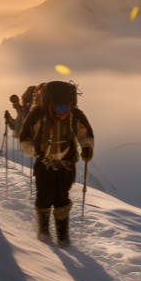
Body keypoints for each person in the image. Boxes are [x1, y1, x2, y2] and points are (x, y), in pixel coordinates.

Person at [19, 81, 94, 246]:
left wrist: (87, 147)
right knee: (44, 196)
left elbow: (85, 134)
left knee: (62, 198)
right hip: (44, 164)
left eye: (66, 107)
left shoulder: (75, 115)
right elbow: (25, 137)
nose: (63, 111)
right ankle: (44, 233)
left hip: (66, 165)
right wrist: (32, 149)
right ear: (50, 104)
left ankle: (62, 237)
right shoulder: (38, 114)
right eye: (60, 108)